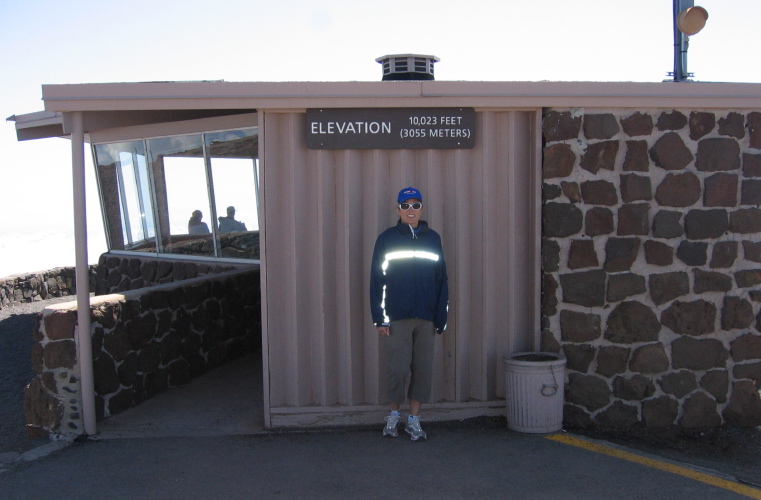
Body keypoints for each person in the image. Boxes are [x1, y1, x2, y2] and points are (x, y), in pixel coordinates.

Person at [369, 187, 448, 441]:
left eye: (415, 205)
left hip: (426, 318)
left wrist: (441, 317)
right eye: (405, 206)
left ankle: (414, 420)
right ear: (398, 209)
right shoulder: (386, 238)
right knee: (398, 369)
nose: (410, 210)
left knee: (423, 369)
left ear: (422, 209)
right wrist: (380, 317)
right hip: (397, 317)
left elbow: (441, 280)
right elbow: (377, 280)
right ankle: (394, 416)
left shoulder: (433, 238)